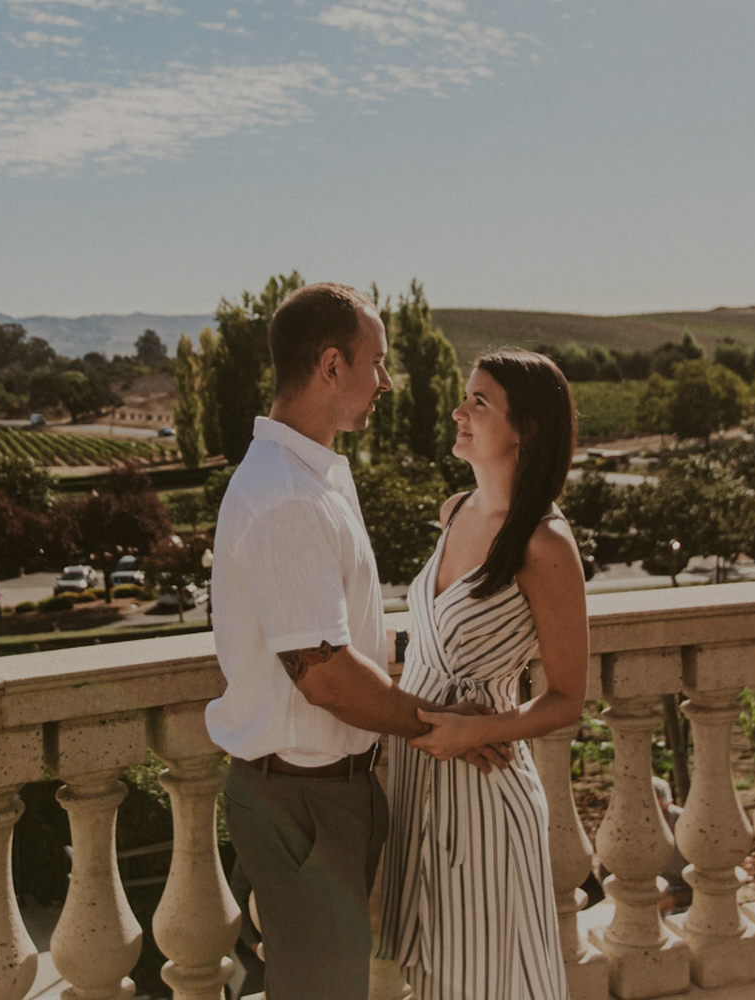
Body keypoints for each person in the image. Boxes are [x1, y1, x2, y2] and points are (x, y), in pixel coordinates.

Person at [207, 282, 508, 1000]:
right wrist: (445, 726)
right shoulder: (288, 497)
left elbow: (341, 641)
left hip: (321, 797)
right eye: (377, 361)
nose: (387, 380)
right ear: (332, 365)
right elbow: (326, 676)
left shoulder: (309, 479)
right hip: (303, 805)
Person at [376, 348, 588, 999]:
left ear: (523, 429)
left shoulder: (545, 545)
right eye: (466, 397)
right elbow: (427, 644)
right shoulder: (455, 510)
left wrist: (477, 732)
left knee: (489, 984)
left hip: (483, 792)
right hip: (417, 776)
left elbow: (567, 700)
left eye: (480, 402)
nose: (458, 411)